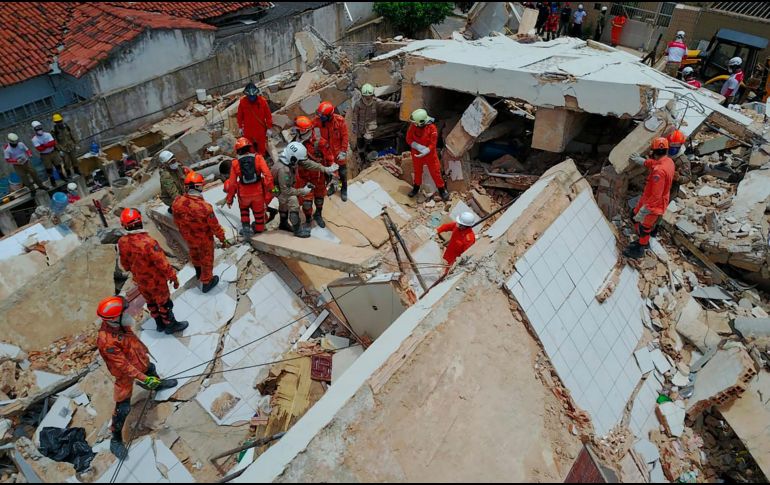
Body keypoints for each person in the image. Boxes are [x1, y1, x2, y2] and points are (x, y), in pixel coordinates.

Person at [95, 296, 178, 459]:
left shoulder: (119, 325)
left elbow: (131, 342)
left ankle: (157, 385)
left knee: (151, 369)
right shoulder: (106, 342)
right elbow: (124, 366)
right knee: (123, 407)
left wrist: (143, 352)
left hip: (138, 361)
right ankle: (115, 439)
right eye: (124, 312)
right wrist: (144, 379)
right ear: (114, 318)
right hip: (125, 374)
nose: (128, 313)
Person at [117, 208, 189, 334]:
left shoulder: (122, 242)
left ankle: (159, 324)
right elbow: (162, 263)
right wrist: (173, 277)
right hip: (156, 281)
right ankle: (170, 325)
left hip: (140, 281)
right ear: (139, 221)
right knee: (164, 303)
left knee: (151, 302)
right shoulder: (148, 242)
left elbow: (125, 265)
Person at [172, 172, 229, 293]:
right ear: (199, 186)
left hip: (188, 237)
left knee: (194, 254)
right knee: (207, 260)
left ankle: (198, 272)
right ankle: (207, 282)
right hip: (204, 240)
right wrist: (223, 239)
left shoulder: (177, 202)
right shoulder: (205, 207)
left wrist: (185, 232)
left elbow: (176, 220)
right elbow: (215, 227)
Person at [271, 142, 337, 238]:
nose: (301, 163)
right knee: (293, 203)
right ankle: (297, 231)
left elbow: (307, 163)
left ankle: (283, 223)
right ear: (293, 159)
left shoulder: (288, 158)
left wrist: (324, 169)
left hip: (282, 185)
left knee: (284, 204)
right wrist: (303, 191)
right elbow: (286, 191)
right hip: (277, 189)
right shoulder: (284, 170)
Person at [624, 138, 675, 259]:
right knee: (634, 216)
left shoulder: (659, 172)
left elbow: (656, 195)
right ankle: (643, 239)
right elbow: (656, 163)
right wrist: (643, 162)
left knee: (645, 227)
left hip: (654, 205)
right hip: (651, 199)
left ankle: (640, 248)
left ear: (653, 151)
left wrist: (644, 210)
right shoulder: (669, 162)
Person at [226, 137, 275, 238]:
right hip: (258, 193)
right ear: (249, 147)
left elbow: (232, 184)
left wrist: (229, 198)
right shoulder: (258, 158)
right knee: (259, 214)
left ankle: (246, 230)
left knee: (244, 211)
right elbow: (268, 176)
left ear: (237, 150)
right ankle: (259, 230)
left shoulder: (235, 163)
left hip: (243, 194)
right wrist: (271, 189)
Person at [293, 116, 333, 228]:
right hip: (304, 177)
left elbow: (330, 158)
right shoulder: (295, 143)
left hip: (319, 176)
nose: (297, 132)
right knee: (306, 203)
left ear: (305, 131)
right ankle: (308, 220)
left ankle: (318, 215)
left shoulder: (319, 143)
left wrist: (333, 175)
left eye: (299, 130)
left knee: (319, 199)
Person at [351, 83, 400, 169]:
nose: (367, 99)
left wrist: (396, 105)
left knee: (375, 135)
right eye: (366, 97)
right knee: (361, 142)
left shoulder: (376, 102)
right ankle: (362, 157)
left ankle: (370, 150)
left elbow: (385, 104)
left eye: (369, 97)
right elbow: (355, 117)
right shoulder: (358, 105)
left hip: (373, 126)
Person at [406, 108, 449, 202]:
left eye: (415, 123)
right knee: (417, 171)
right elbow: (408, 138)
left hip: (430, 154)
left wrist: (426, 150)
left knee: (435, 172)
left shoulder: (432, 128)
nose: (414, 124)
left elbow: (433, 144)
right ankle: (416, 188)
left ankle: (442, 190)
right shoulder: (413, 126)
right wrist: (418, 146)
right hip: (416, 153)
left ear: (421, 122)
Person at [312, 101, 350, 201]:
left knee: (342, 172)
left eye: (323, 116)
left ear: (330, 115)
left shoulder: (339, 121)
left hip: (338, 152)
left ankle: (344, 188)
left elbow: (345, 137)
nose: (321, 118)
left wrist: (343, 151)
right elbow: (310, 127)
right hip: (326, 152)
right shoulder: (319, 120)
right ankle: (332, 186)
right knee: (329, 172)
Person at [236, 82, 273, 156]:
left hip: (260, 129)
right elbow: (240, 116)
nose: (252, 98)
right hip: (248, 129)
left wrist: (269, 127)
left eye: (253, 96)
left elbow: (268, 115)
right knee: (250, 147)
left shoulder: (262, 101)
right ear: (247, 95)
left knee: (262, 146)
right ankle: (253, 158)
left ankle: (261, 158)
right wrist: (240, 127)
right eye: (250, 96)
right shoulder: (243, 102)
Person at [31, 120, 65, 185]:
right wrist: (48, 145)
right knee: (49, 169)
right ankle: (52, 181)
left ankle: (62, 176)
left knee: (58, 165)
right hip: (45, 155)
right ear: (34, 130)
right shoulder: (34, 139)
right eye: (37, 129)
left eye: (40, 128)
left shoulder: (47, 134)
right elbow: (39, 149)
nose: (39, 130)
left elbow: (53, 143)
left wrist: (44, 145)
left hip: (53, 152)